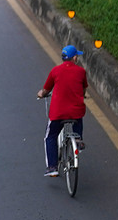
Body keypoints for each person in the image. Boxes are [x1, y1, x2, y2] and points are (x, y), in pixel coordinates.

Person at [37, 44, 88, 176]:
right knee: (78, 116)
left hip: (58, 113)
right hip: (76, 111)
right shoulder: (81, 72)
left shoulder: (55, 71)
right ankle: (78, 140)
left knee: (50, 137)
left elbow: (46, 89)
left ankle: (52, 168)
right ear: (75, 58)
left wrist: (41, 94)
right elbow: (83, 89)